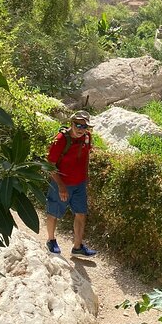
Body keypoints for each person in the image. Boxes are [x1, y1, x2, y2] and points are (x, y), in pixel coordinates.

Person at [45, 110, 97, 257]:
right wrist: (61, 186)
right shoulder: (61, 139)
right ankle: (51, 240)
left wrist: (86, 178)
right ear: (71, 124)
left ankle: (77, 247)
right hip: (61, 183)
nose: (81, 129)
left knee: (81, 213)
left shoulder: (87, 137)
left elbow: (85, 157)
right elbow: (50, 164)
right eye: (78, 125)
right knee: (53, 212)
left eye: (85, 126)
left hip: (79, 183)